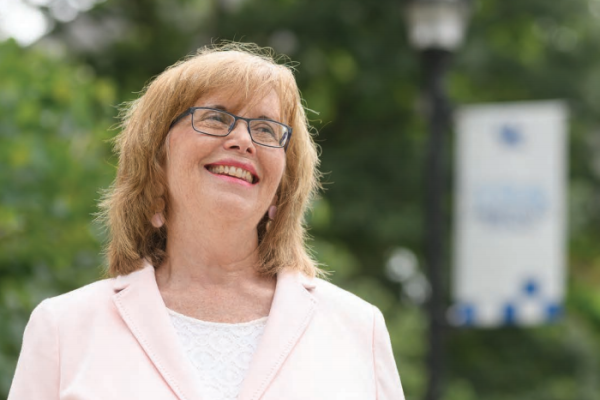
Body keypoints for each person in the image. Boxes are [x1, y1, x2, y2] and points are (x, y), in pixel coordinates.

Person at [9, 42, 404, 400]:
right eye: (216, 118)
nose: (244, 140)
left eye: (266, 128)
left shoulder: (358, 329)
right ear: (157, 162)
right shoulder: (63, 329)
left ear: (282, 186)